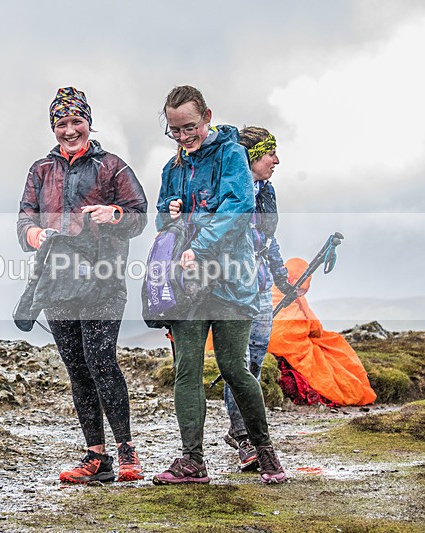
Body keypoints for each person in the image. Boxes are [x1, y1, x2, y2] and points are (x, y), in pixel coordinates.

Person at [151, 85, 287, 485]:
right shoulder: (172, 168)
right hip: (188, 285)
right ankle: (192, 460)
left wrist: (200, 247)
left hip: (231, 281)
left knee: (234, 367)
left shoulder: (231, 155)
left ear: (207, 117)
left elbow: (238, 207)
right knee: (187, 370)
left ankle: (264, 452)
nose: (182, 136)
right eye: (175, 130)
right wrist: (169, 213)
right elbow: (160, 221)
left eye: (189, 127)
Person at [17, 87, 148, 484]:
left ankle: (126, 450)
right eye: (62, 123)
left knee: (101, 361)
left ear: (88, 123)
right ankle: (96, 457)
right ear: (53, 127)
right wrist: (34, 235)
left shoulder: (112, 167)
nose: (70, 130)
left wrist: (115, 214)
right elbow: (24, 218)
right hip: (56, 283)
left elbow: (139, 216)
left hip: (104, 281)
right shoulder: (41, 171)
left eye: (77, 121)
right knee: (77, 369)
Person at [221, 126, 293, 471]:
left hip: (261, 285)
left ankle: (241, 430)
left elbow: (268, 240)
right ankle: (245, 437)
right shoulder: (227, 189)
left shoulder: (266, 191)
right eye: (269, 154)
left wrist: (282, 278)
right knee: (238, 363)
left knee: (254, 363)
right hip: (232, 286)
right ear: (251, 157)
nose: (276, 160)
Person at [268, 258, 377, 406]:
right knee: (333, 347)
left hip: (267, 342)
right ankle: (352, 391)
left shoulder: (268, 291)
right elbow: (315, 327)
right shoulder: (294, 296)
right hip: (291, 345)